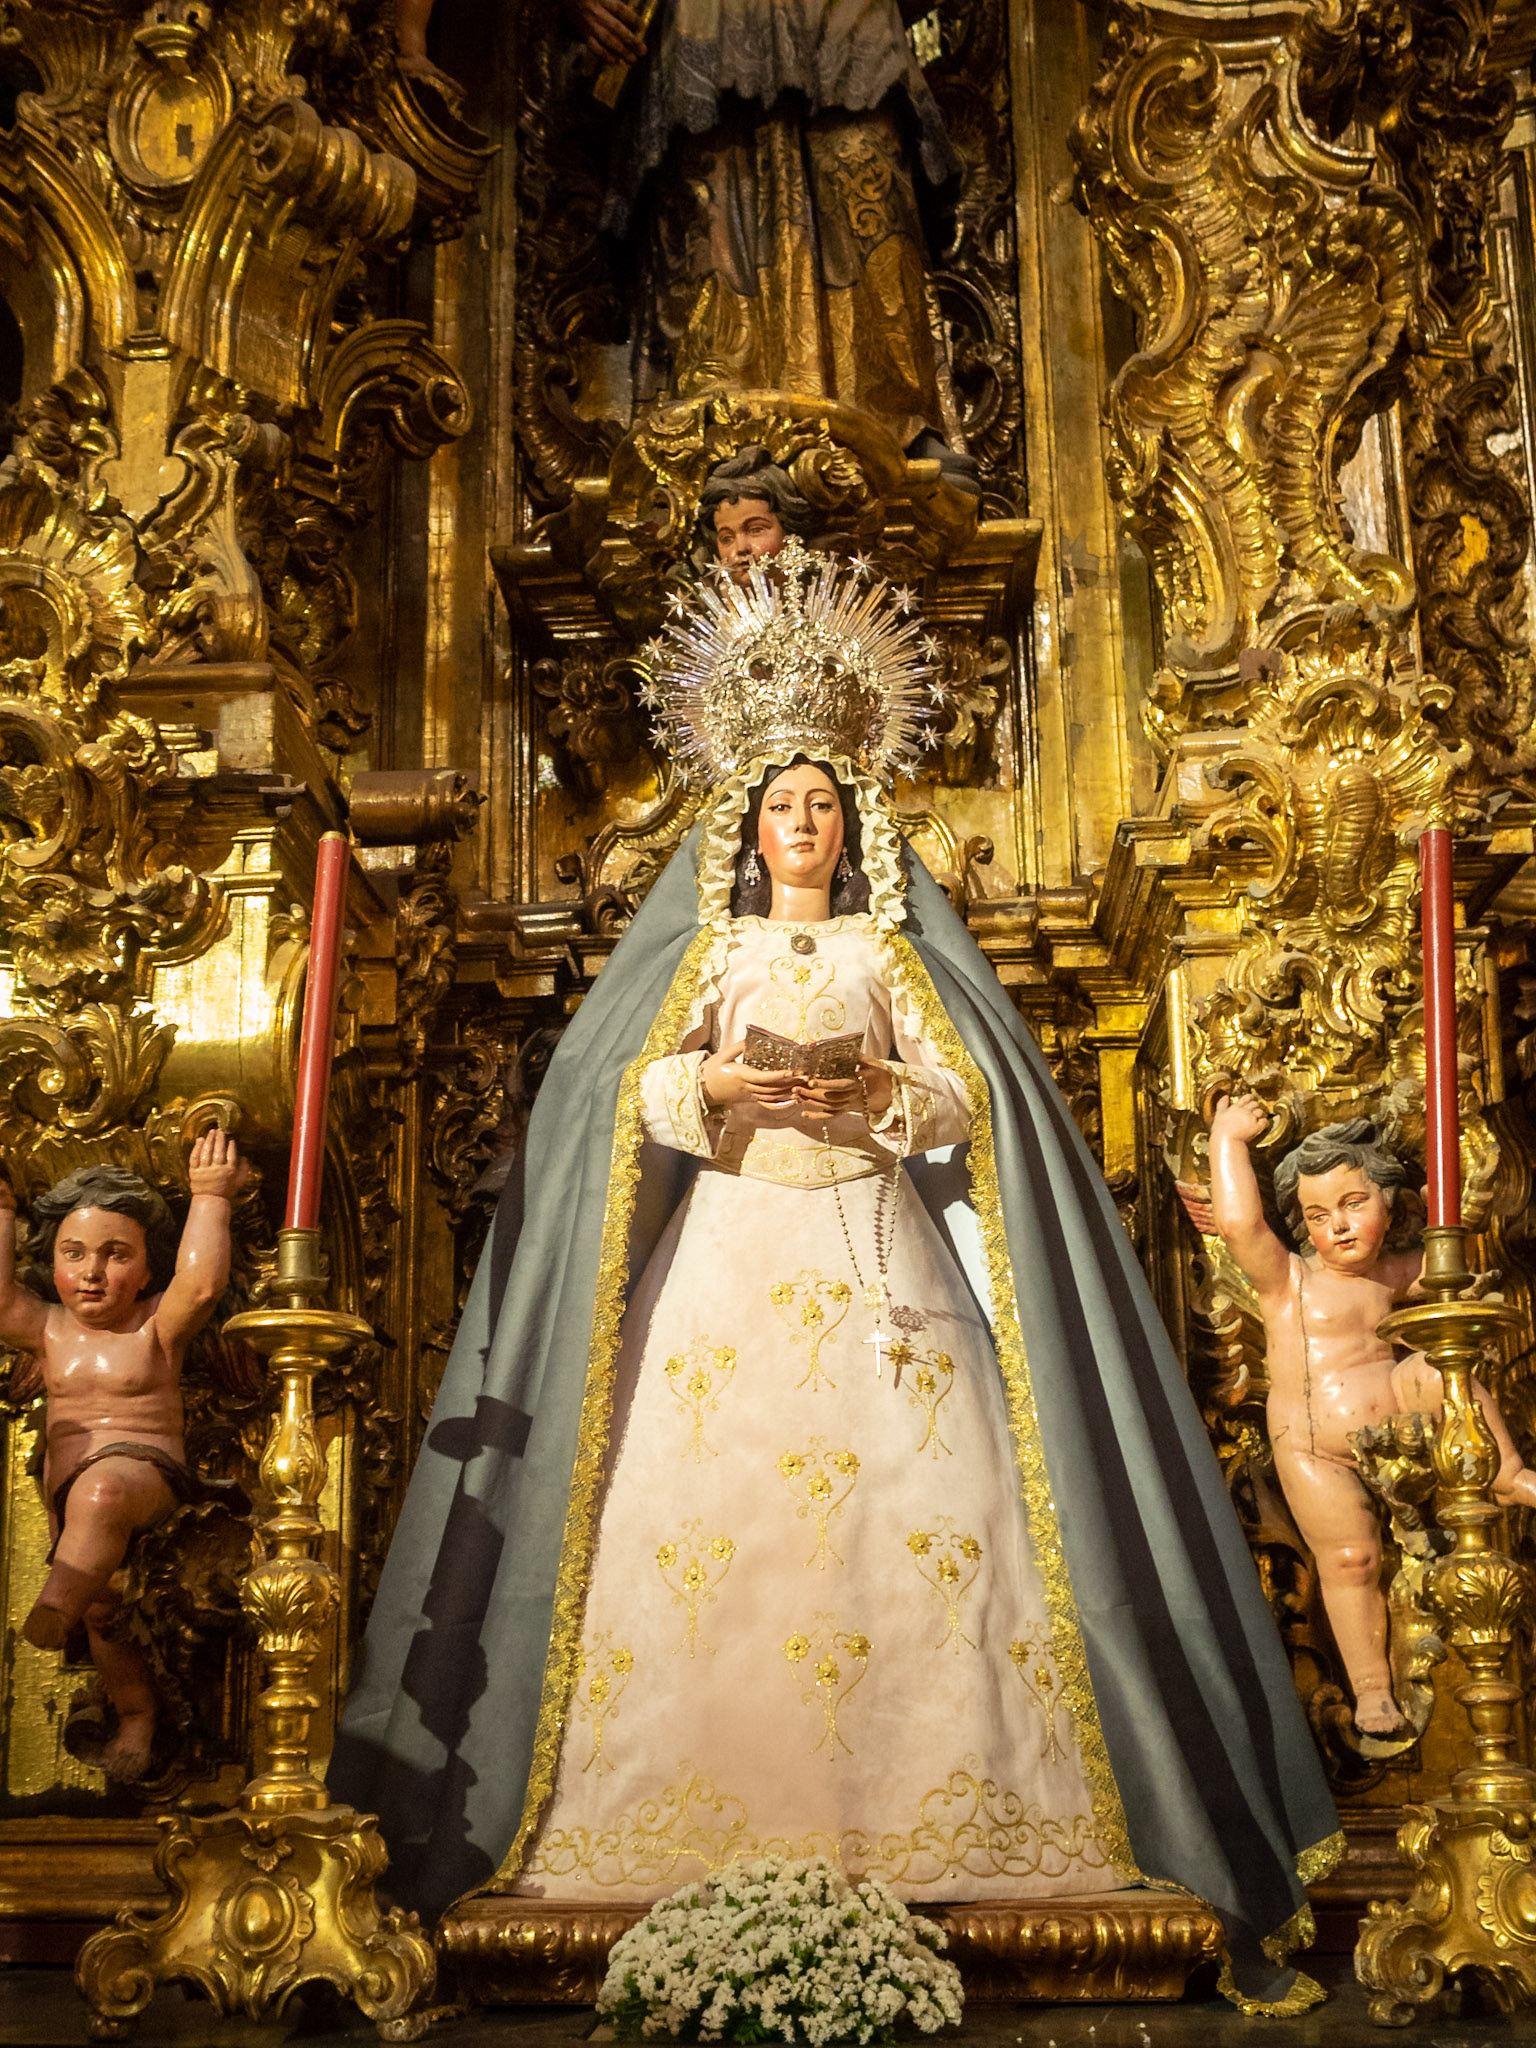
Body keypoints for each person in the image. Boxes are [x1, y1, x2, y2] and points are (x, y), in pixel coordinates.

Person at [332, 545, 1340, 2014]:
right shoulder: (709, 946)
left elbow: (964, 1104)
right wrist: (713, 1087)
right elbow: (624, 1104)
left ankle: (969, 1812)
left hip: (881, 1256)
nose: (801, 825)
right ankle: (680, 1829)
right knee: (703, 1518)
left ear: (853, 819)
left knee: (924, 1515)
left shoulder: (890, 946)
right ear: (743, 822)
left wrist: (880, 1094)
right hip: (729, 1253)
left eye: (821, 804)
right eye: (779, 805)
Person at [1207, 1097, 1536, 1738]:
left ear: (1390, 1203)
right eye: (1318, 1214)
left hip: (1399, 1429)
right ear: (1303, 1227)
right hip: (1311, 1445)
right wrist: (1228, 1139)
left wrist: (1466, 1204)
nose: (1340, 1226)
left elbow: (1453, 1259)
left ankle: (1513, 1474)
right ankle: (1371, 1690)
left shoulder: (1396, 1275)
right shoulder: (1291, 1282)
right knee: (1352, 1560)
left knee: (1438, 1368)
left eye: (1355, 1203)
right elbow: (1240, 1225)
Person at [573, 0, 978, 489]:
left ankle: (895, 425)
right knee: (714, 212)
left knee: (864, 182)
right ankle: (717, 432)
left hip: (847, 24)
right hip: (701, 25)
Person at [0, 1133, 249, 1780]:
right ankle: (137, 1712)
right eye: (73, 1253)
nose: (92, 1271)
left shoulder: (155, 1328)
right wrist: (1, 1216)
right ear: (51, 1260)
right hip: (65, 1487)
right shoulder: (51, 1329)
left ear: (145, 1269)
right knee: (107, 1607)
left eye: (116, 1256)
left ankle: (54, 1603)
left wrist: (210, 1196)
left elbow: (200, 1286)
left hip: (145, 1477)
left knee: (103, 1495)